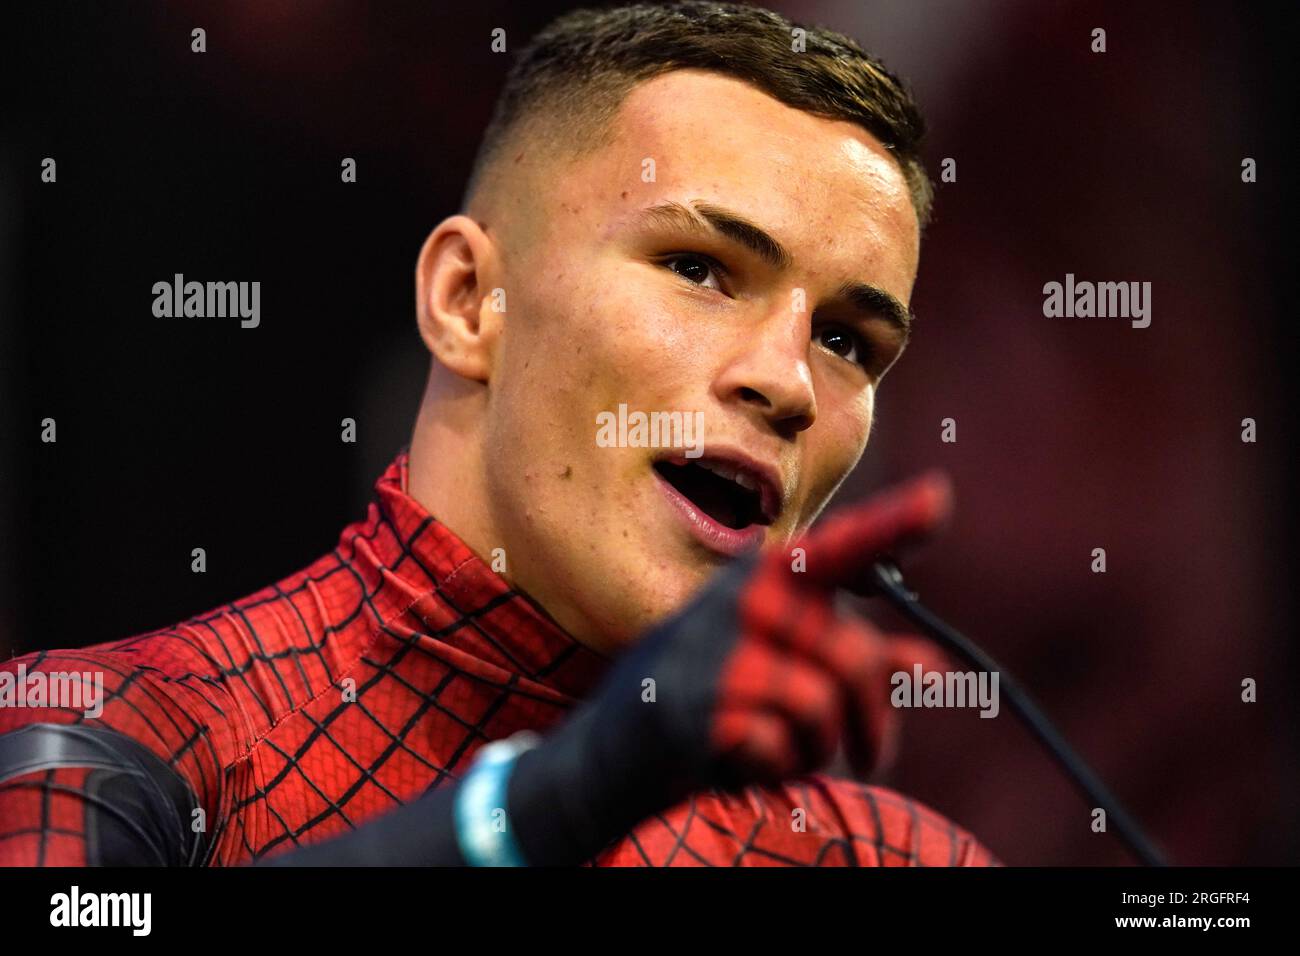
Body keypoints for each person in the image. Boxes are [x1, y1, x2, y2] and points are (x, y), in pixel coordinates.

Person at [0, 1, 997, 867]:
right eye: (698, 268)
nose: (788, 382)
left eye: (845, 339)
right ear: (468, 301)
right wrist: (561, 794)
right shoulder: (99, 729)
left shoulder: (890, 852)